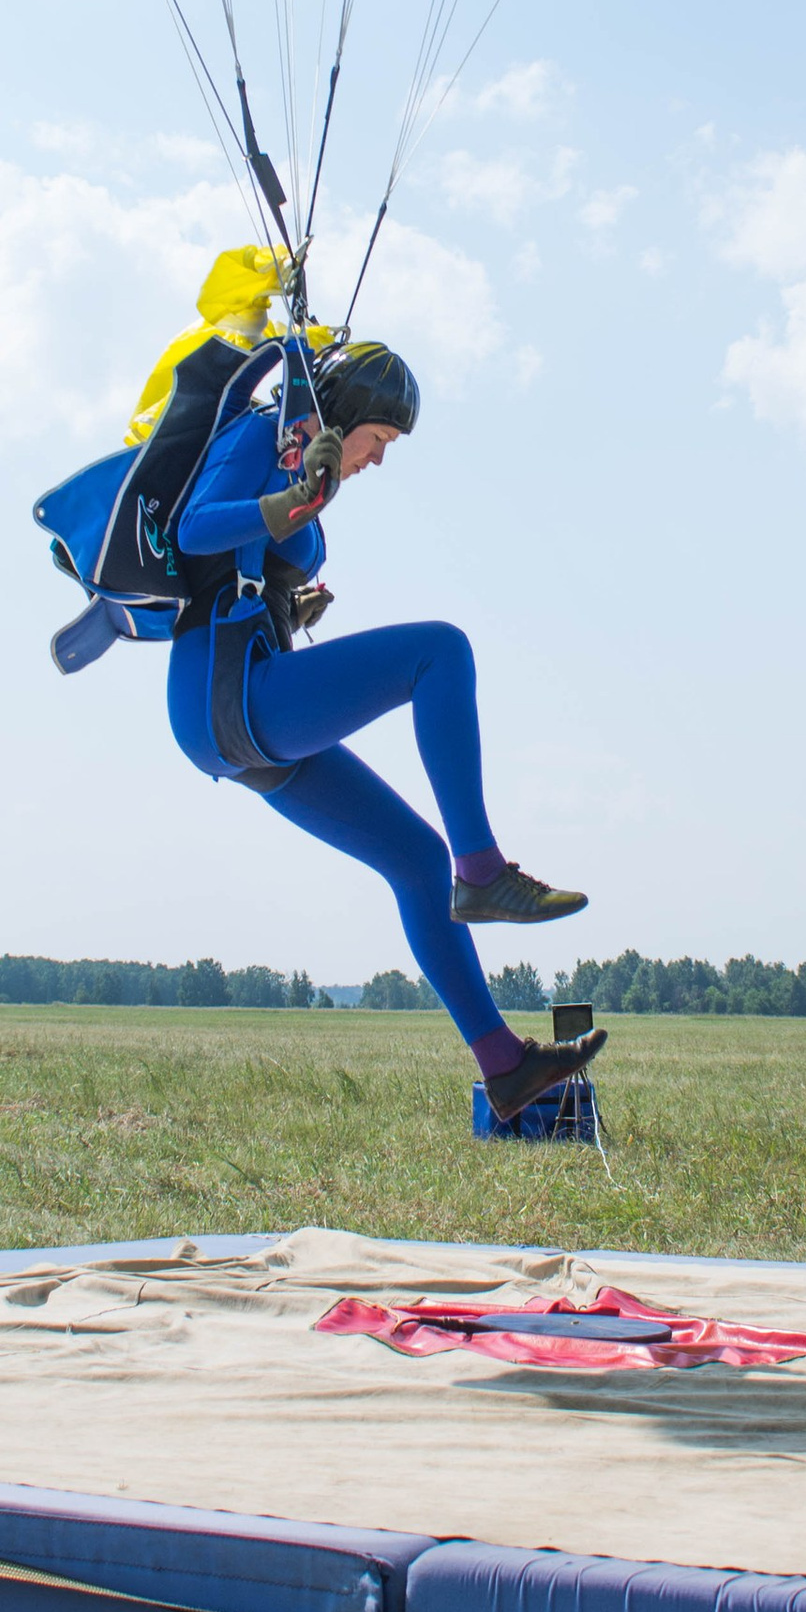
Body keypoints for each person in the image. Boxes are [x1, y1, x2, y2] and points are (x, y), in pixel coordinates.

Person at [167, 338, 603, 1122]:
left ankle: (504, 1067)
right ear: (354, 413)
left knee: (413, 859)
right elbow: (193, 530)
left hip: (235, 708)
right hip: (231, 695)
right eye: (381, 439)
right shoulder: (258, 439)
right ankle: (484, 870)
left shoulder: (298, 457)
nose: (379, 458)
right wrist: (287, 499)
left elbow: (264, 551)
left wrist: (289, 580)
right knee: (439, 652)